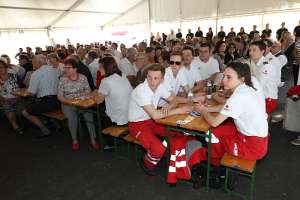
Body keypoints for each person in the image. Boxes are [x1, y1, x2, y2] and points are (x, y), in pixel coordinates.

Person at [194, 62, 268, 169]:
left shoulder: (239, 96)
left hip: (253, 146)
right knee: (215, 132)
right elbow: (228, 107)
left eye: (229, 77)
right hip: (253, 136)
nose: (223, 80)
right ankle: (216, 162)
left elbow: (214, 122)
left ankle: (216, 166)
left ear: (242, 79)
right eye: (224, 76)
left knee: (211, 133)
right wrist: (207, 109)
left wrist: (203, 111)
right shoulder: (248, 85)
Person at [128, 64, 192, 175]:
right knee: (158, 149)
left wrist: (168, 107)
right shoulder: (141, 90)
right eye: (149, 77)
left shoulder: (160, 86)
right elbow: (155, 115)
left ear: (162, 79)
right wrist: (178, 110)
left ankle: (168, 154)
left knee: (178, 132)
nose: (152, 81)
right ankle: (146, 163)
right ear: (146, 77)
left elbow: (174, 100)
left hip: (152, 121)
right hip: (137, 124)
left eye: (156, 78)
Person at [57, 58, 99, 150]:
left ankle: (93, 139)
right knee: (72, 117)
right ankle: (74, 140)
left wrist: (82, 99)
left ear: (75, 69)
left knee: (89, 115)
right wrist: (69, 102)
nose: (66, 70)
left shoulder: (83, 77)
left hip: (82, 103)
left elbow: (88, 91)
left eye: (68, 68)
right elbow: (60, 96)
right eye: (65, 68)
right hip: (67, 104)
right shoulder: (62, 79)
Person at [22, 55, 61, 138]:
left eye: (33, 62)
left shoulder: (36, 74)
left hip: (48, 103)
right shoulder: (55, 69)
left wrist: (29, 91)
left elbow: (32, 93)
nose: (33, 64)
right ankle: (52, 122)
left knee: (25, 112)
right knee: (38, 104)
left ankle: (44, 129)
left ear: (37, 62)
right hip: (59, 101)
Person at [95, 56, 133, 126]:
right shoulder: (123, 75)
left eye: (100, 67)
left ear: (107, 67)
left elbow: (98, 101)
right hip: (130, 113)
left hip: (118, 118)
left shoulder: (106, 81)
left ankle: (105, 134)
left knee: (99, 114)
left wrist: (95, 93)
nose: (98, 69)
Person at [249, 41, 278, 116]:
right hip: (261, 97)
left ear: (262, 51)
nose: (251, 53)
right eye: (250, 50)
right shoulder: (256, 63)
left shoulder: (266, 66)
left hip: (268, 99)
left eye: (254, 50)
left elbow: (259, 86)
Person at [0, 60, 23, 134]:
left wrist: (19, 97)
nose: (0, 69)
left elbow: (23, 87)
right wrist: (4, 99)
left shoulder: (14, 76)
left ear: (6, 68)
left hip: (18, 98)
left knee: (24, 111)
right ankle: (15, 126)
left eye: (1, 67)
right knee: (9, 111)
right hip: (5, 100)